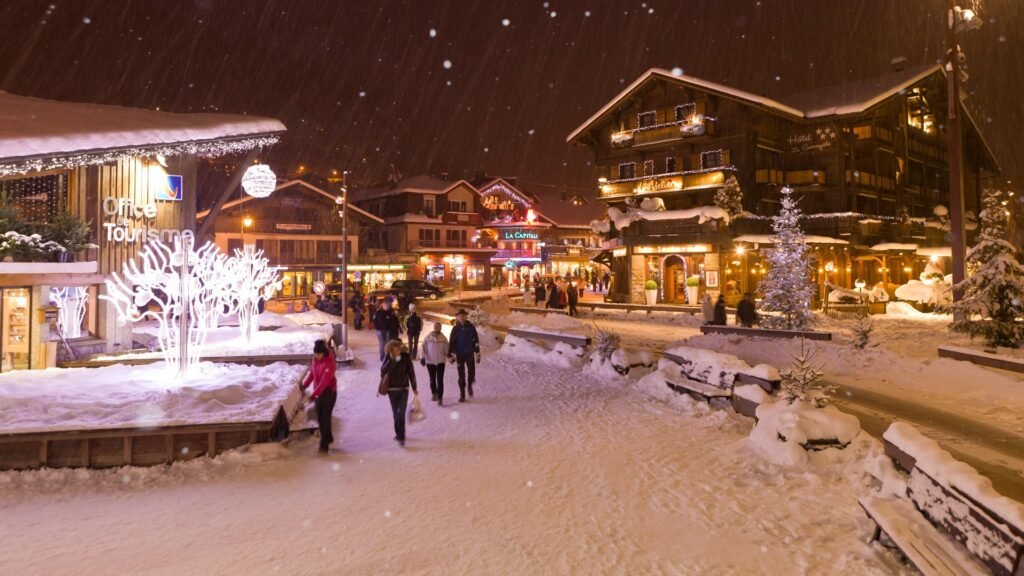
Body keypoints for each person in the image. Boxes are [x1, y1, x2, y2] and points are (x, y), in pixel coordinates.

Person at [301, 340, 338, 455]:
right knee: (320, 417)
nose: (316, 356)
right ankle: (329, 437)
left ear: (324, 353)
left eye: (318, 354)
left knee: (324, 418)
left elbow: (324, 382)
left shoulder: (330, 363)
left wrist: (314, 395)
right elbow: (312, 373)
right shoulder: (315, 360)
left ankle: (324, 445)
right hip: (318, 391)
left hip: (329, 392)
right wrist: (305, 384)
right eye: (315, 354)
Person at [380, 339, 418, 446]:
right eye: (394, 348)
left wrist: (414, 387)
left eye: (398, 348)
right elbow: (382, 371)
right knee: (395, 414)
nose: (397, 350)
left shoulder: (406, 357)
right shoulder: (388, 357)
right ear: (391, 349)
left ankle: (401, 437)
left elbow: (411, 372)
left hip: (403, 388)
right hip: (392, 389)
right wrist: (392, 360)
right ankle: (398, 433)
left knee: (400, 413)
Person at [448, 309, 480, 402]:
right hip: (460, 355)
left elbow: (476, 340)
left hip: (469, 354)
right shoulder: (455, 329)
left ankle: (469, 385)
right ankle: (462, 395)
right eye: (460, 316)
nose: (462, 317)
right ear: (457, 317)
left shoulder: (471, 327)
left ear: (466, 316)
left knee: (471, 372)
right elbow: (452, 342)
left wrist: (477, 352)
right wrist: (450, 354)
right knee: (461, 375)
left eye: (463, 316)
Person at [420, 322, 449, 405]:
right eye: (435, 326)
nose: (436, 327)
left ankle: (440, 397)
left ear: (440, 328)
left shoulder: (444, 338)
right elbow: (423, 348)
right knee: (432, 379)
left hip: (440, 362)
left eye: (438, 326)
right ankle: (434, 393)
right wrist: (422, 357)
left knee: (440, 380)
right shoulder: (428, 337)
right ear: (433, 327)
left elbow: (447, 350)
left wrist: (451, 358)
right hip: (430, 362)